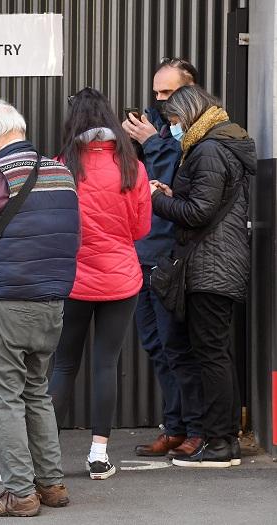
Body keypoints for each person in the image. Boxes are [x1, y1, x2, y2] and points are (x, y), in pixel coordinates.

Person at [0, 99, 80, 517]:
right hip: (53, 302)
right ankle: (52, 484)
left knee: (5, 398)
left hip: (8, 301)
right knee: (36, 393)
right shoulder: (61, 171)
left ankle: (20, 493)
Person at [49, 88, 152, 480]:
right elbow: (141, 228)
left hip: (74, 280)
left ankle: (47, 457)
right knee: (106, 363)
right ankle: (98, 455)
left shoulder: (61, 166)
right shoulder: (133, 167)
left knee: (63, 364)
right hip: (121, 279)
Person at [150, 85, 254, 467]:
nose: (173, 128)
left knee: (211, 355)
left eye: (175, 120)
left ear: (190, 114)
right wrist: (170, 193)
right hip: (215, 263)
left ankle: (220, 443)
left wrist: (157, 200)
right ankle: (224, 440)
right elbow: (202, 203)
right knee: (215, 353)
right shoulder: (215, 145)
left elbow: (198, 212)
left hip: (212, 266)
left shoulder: (208, 149)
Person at [122, 58, 205, 458]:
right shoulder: (155, 128)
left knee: (177, 345)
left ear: (188, 91)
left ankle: (195, 428)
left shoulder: (195, 134)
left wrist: (153, 142)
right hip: (142, 254)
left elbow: (174, 183)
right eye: (156, 91)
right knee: (155, 344)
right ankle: (173, 426)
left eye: (167, 92)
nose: (159, 100)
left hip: (172, 255)